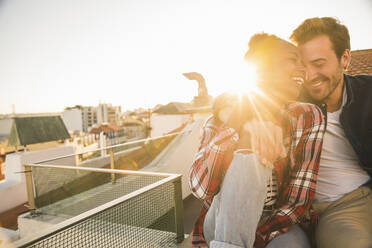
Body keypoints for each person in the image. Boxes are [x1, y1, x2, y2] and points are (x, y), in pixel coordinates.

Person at [189, 33, 325, 248]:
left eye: (302, 62)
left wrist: (256, 235)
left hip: (277, 221)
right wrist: (240, 129)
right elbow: (201, 190)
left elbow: (298, 199)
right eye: (292, 60)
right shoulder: (218, 120)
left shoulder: (308, 116)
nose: (302, 68)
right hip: (220, 218)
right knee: (251, 145)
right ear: (262, 69)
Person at [290, 17, 372, 247]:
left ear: (345, 58)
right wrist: (230, 110)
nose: (309, 76)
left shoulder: (368, 93)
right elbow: (242, 98)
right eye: (303, 66)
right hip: (310, 210)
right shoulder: (290, 98)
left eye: (318, 64)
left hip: (354, 200)